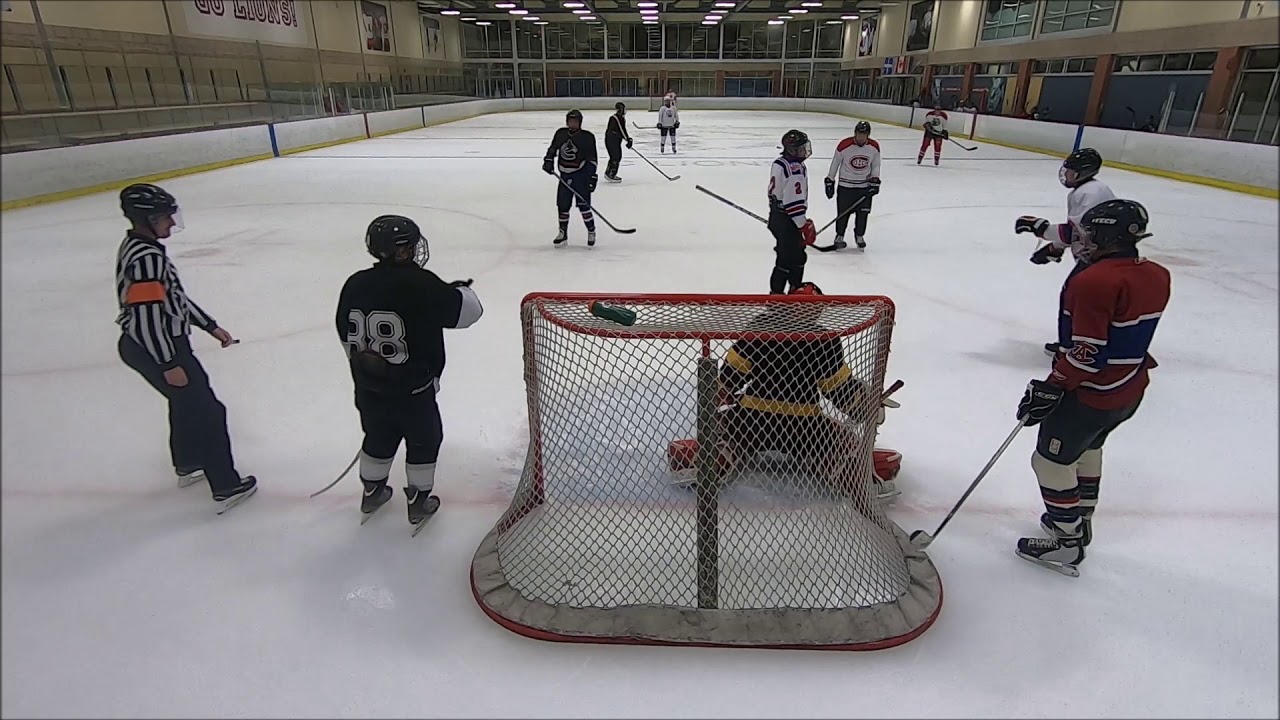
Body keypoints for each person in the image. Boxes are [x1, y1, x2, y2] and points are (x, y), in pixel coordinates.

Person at [1012, 199, 1170, 576]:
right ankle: (1080, 520)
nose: (1084, 240)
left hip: (1091, 395)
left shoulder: (1095, 281)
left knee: (1049, 462)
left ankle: (1067, 542)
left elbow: (1087, 355)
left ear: (1104, 235)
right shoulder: (1158, 273)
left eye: (1090, 233)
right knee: (1089, 448)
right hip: (1129, 389)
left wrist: (1052, 386)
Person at [666, 282, 902, 502]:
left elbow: (731, 375)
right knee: (839, 441)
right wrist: (864, 408)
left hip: (752, 419)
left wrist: (720, 395)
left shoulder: (760, 327)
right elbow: (838, 389)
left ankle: (712, 459)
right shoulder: (825, 338)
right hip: (805, 425)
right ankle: (852, 472)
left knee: (726, 429)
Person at [114, 183, 257, 514]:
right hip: (157, 347)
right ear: (147, 219)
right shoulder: (147, 257)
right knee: (208, 412)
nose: (171, 224)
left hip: (152, 345)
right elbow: (147, 315)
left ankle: (188, 462)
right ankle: (225, 485)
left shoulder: (141, 247)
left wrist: (209, 325)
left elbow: (172, 298)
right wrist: (168, 362)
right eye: (165, 218)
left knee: (184, 403)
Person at [335, 215, 484, 531]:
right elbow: (468, 313)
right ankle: (418, 501)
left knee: (378, 435)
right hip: (413, 391)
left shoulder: (354, 283)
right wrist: (459, 291)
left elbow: (344, 332)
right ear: (403, 251)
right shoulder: (421, 283)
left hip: (368, 389)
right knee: (424, 441)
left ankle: (372, 491)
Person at [1014, 147, 1116, 355]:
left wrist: (1040, 229)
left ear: (1082, 172)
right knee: (1085, 300)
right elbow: (1079, 232)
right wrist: (1055, 247)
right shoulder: (1094, 189)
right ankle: (1083, 344)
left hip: (1096, 259)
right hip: (1103, 256)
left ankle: (1069, 347)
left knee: (1073, 298)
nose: (1066, 174)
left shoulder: (1087, 193)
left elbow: (1074, 233)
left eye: (1070, 171)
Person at [767, 129, 817, 294]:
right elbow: (792, 202)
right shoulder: (794, 169)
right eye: (801, 148)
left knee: (792, 256)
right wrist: (803, 225)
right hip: (788, 219)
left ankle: (788, 293)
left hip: (778, 216)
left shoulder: (780, 163)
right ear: (791, 149)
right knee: (789, 259)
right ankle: (780, 298)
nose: (804, 151)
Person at [543, 109, 599, 247]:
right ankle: (563, 233)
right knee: (562, 205)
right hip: (564, 175)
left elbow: (592, 159)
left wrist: (591, 176)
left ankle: (591, 231)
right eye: (570, 121)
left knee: (584, 206)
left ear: (580, 123)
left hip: (580, 176)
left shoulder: (587, 137)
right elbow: (553, 148)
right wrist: (548, 160)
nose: (572, 124)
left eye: (575, 121)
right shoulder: (561, 134)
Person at [824, 120, 882, 251]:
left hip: (864, 187)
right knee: (842, 214)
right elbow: (835, 163)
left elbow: (876, 164)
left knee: (863, 214)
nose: (861, 137)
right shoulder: (844, 145)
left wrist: (875, 180)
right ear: (855, 133)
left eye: (864, 134)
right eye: (859, 133)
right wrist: (830, 179)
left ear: (868, 135)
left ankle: (859, 236)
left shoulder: (874, 146)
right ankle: (839, 236)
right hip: (846, 186)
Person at [603, 102, 633, 183]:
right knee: (616, 156)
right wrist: (628, 139)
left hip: (614, 140)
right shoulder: (615, 118)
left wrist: (628, 139)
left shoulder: (620, 118)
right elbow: (621, 129)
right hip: (611, 140)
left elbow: (623, 130)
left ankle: (608, 173)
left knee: (614, 156)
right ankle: (611, 174)